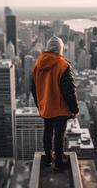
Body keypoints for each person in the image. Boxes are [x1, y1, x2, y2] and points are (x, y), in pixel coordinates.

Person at [31, 36, 79, 172]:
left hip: (46, 107)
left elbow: (33, 89)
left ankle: (48, 158)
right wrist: (74, 109)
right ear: (60, 49)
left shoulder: (37, 64)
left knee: (47, 132)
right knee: (59, 136)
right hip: (61, 109)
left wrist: (40, 104)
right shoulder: (63, 65)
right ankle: (58, 164)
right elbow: (69, 91)